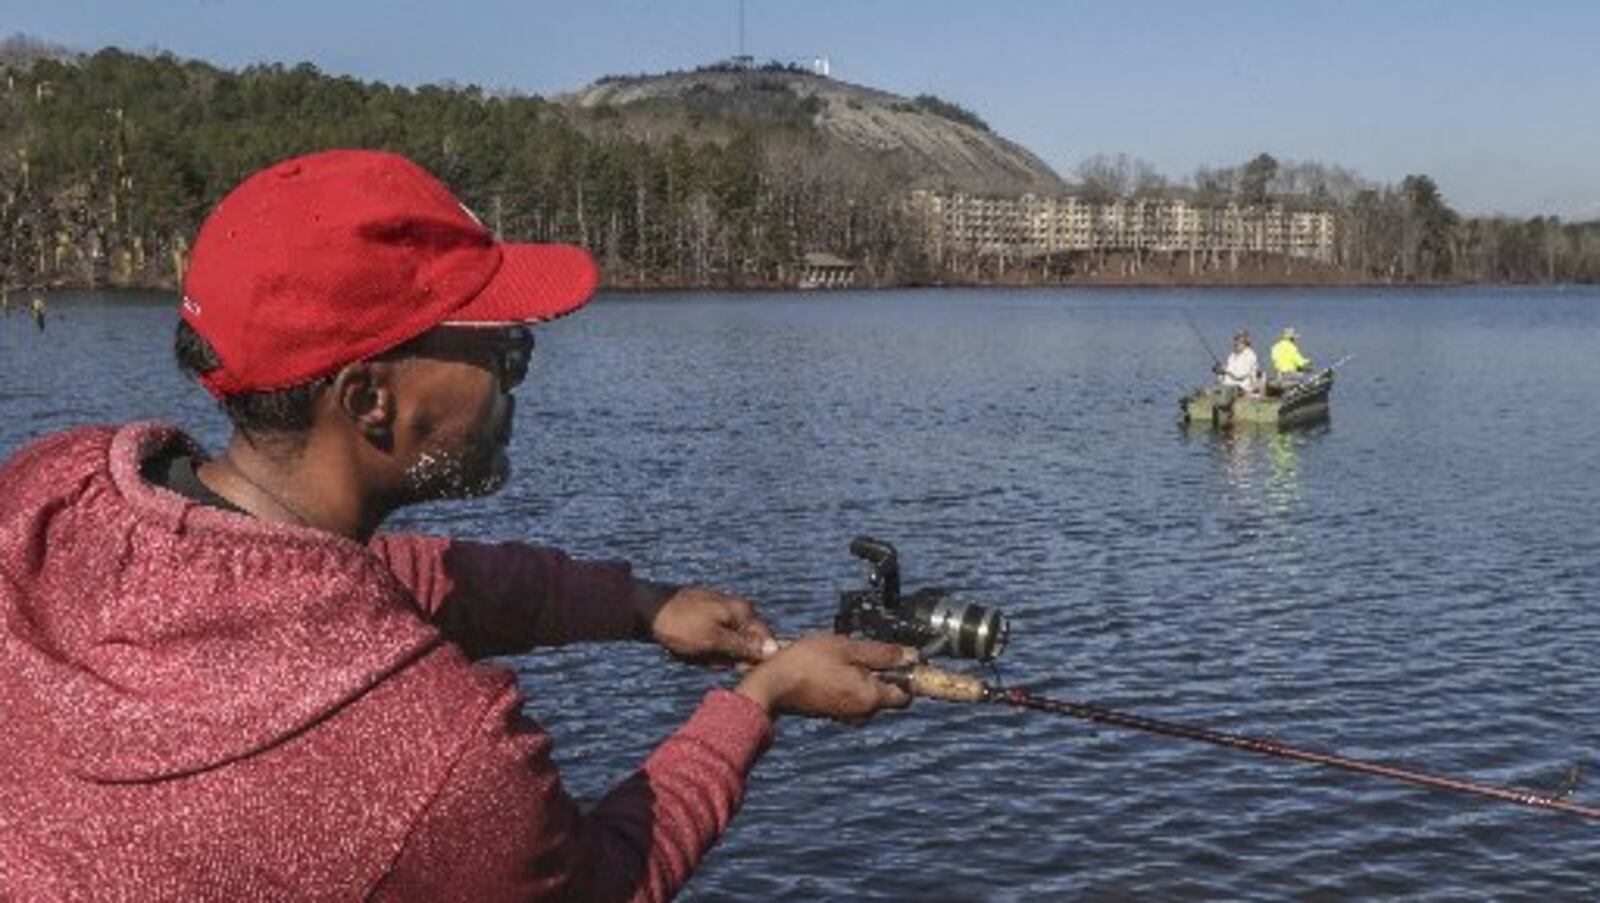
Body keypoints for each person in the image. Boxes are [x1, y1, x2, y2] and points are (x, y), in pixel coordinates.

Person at [0, 150, 915, 900]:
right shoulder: (439, 755)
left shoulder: (54, 490)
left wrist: (637, 604)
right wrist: (755, 704)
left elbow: (362, 579)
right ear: (368, 400)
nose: (515, 383)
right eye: (500, 352)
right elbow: (605, 882)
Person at [1214, 329, 1261, 395]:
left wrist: (1226, 370)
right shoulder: (1232, 355)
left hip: (1243, 388)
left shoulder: (1250, 355)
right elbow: (1227, 373)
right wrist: (1220, 372)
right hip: (1228, 387)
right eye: (1235, 340)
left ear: (1245, 343)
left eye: (1239, 341)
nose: (1236, 343)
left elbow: (1240, 375)